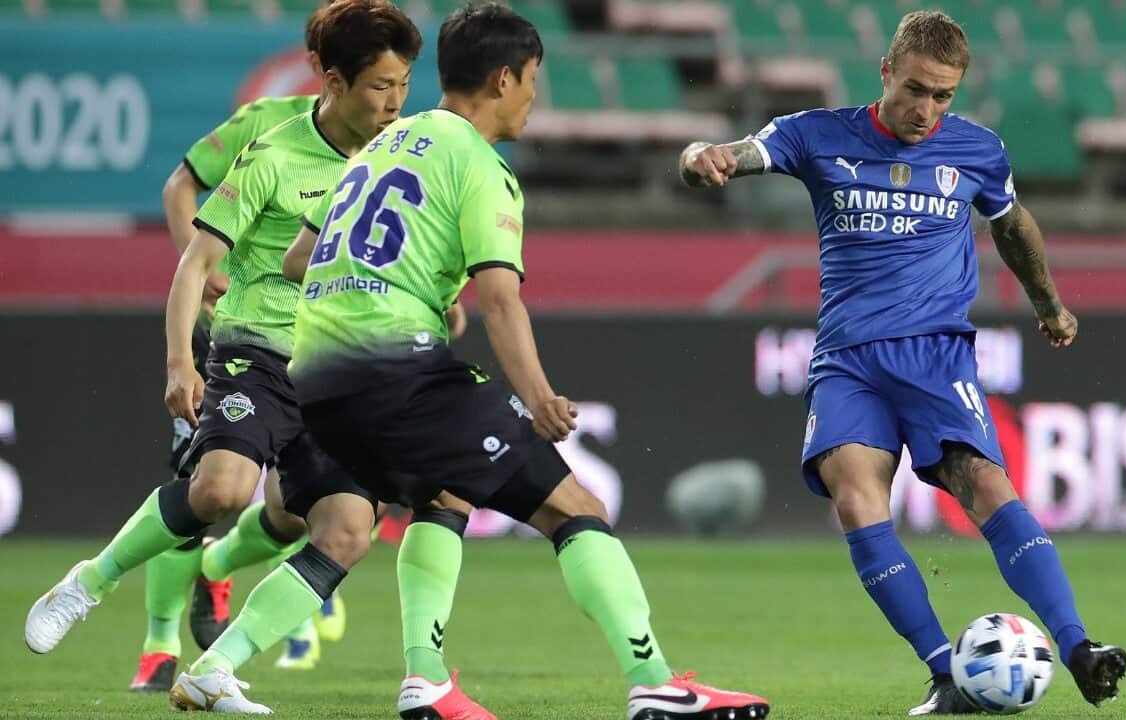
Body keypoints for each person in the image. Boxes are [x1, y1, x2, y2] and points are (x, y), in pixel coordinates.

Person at [169, 4, 772, 718]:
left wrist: (389, 282)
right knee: (575, 507)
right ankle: (655, 684)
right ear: (504, 77)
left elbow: (300, 259)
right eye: (533, 80)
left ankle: (233, 669)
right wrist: (540, 397)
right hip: (396, 369)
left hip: (315, 382)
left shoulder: (386, 143)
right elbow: (501, 302)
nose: (535, 97)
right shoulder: (480, 166)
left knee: (406, 508)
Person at [27, 6, 486, 717]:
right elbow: (195, 263)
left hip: (338, 369)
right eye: (381, 87)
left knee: (345, 532)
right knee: (220, 491)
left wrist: (439, 299)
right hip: (255, 352)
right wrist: (181, 362)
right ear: (334, 81)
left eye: (403, 86)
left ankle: (214, 668)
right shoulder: (273, 153)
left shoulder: (402, 158)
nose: (396, 103)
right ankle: (90, 582)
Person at [678, 10, 1126, 716]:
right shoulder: (817, 133)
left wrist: (1049, 302)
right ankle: (946, 673)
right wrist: (703, 154)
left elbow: (1012, 224)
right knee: (856, 497)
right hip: (848, 361)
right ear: (886, 71)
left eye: (943, 95)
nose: (926, 109)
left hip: (935, 354)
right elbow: (734, 151)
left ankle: (1078, 646)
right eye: (916, 88)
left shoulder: (978, 151)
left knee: (985, 484)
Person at [137, 2, 331, 688]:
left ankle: (215, 571)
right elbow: (180, 184)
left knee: (291, 511)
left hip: (317, 347)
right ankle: (159, 648)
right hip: (235, 332)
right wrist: (202, 262)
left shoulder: (383, 144)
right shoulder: (263, 124)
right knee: (202, 483)